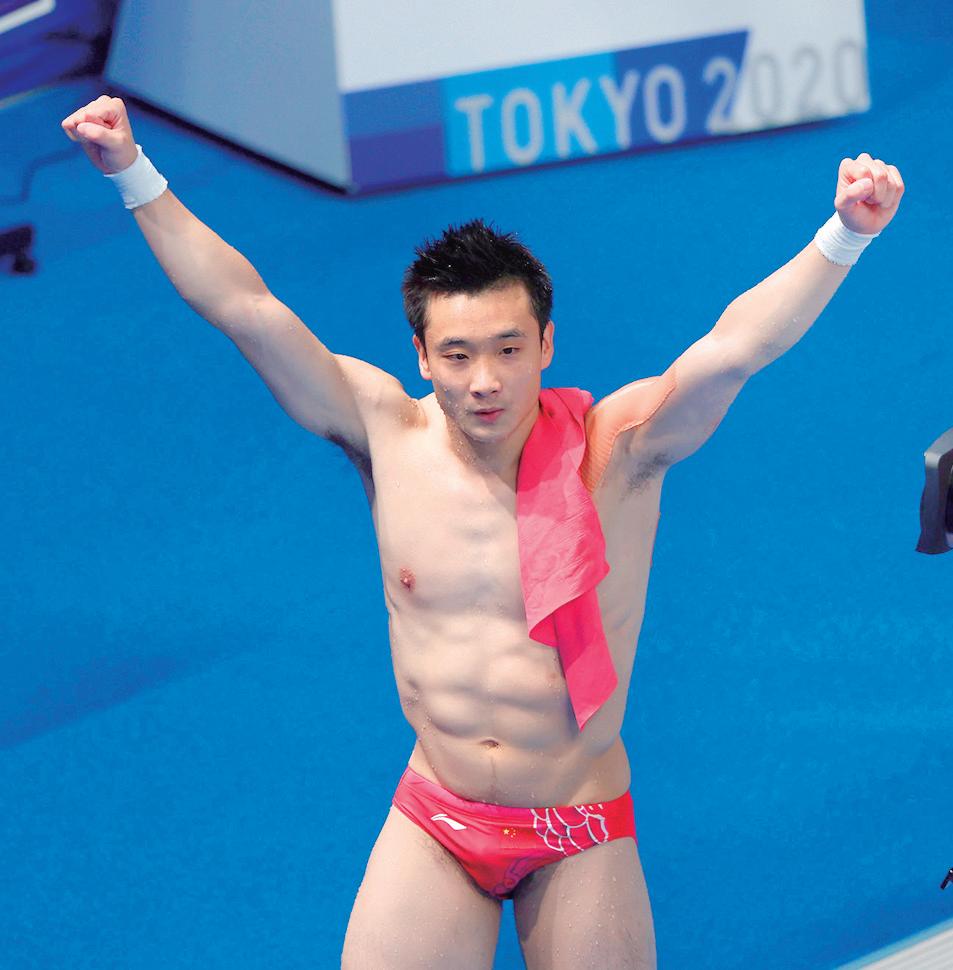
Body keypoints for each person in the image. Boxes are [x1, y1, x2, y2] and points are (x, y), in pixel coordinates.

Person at [61, 94, 904, 969]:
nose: (485, 382)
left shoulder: (617, 451)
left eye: (508, 349)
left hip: (577, 823)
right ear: (421, 357)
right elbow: (244, 306)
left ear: (546, 344)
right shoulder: (384, 430)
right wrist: (131, 170)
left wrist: (845, 234)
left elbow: (732, 350)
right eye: (458, 356)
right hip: (437, 814)